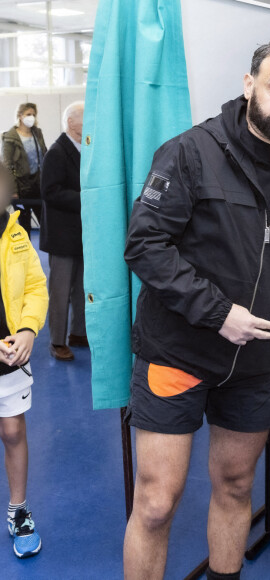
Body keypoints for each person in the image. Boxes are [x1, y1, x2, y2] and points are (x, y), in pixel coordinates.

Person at [123, 36, 270, 580]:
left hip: (253, 366)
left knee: (237, 487)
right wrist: (218, 312)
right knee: (157, 503)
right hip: (177, 353)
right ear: (249, 85)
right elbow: (144, 245)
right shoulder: (190, 152)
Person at [0, 161, 49, 558]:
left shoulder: (16, 233)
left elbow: (35, 285)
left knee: (13, 432)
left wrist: (30, 328)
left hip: (9, 358)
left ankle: (18, 511)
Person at [40, 101, 87, 362]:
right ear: (71, 122)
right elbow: (50, 192)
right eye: (85, 117)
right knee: (59, 292)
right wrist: (86, 198)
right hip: (61, 238)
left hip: (80, 235)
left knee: (81, 288)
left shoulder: (83, 149)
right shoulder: (57, 152)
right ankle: (57, 341)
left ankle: (78, 333)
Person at [1, 103, 47, 236]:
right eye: (28, 114)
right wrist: (13, 191)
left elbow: (44, 154)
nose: (31, 117)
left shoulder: (37, 133)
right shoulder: (10, 137)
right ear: (20, 116)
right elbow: (7, 165)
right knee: (25, 224)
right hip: (21, 187)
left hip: (38, 185)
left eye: (33, 114)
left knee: (44, 222)